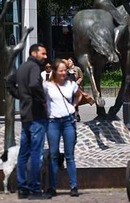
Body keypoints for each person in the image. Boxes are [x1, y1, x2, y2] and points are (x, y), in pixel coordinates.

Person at [6, 44, 49, 200]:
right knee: (36, 153)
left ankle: (22, 188)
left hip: (26, 116)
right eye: (43, 53)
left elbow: (9, 83)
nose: (45, 56)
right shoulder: (34, 67)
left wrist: (22, 97)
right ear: (34, 53)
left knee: (23, 153)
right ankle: (35, 188)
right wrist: (43, 100)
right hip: (36, 115)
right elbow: (33, 84)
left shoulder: (23, 67)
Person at [44, 58, 81, 197]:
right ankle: (52, 187)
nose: (64, 73)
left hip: (68, 121)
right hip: (53, 121)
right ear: (54, 71)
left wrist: (74, 106)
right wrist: (47, 111)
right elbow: (42, 100)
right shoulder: (47, 85)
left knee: (69, 155)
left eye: (65, 70)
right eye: (61, 71)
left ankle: (73, 186)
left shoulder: (71, 84)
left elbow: (79, 96)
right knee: (53, 155)